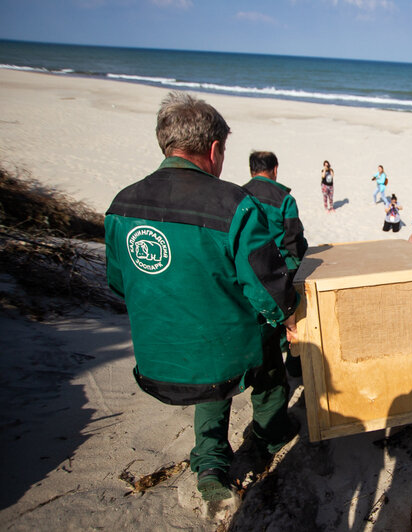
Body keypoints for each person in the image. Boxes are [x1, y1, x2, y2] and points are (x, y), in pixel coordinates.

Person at [104, 92, 299, 504]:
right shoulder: (234, 205)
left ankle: (210, 461)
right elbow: (268, 290)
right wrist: (289, 317)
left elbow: (120, 283)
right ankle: (268, 432)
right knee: (263, 339)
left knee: (208, 343)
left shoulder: (121, 203)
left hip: (159, 360)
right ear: (214, 149)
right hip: (217, 359)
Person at [243, 150, 309, 378]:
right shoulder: (284, 199)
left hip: (249, 270)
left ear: (252, 170)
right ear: (275, 169)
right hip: (282, 269)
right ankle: (294, 365)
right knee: (295, 318)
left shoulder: (239, 195)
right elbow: (293, 238)